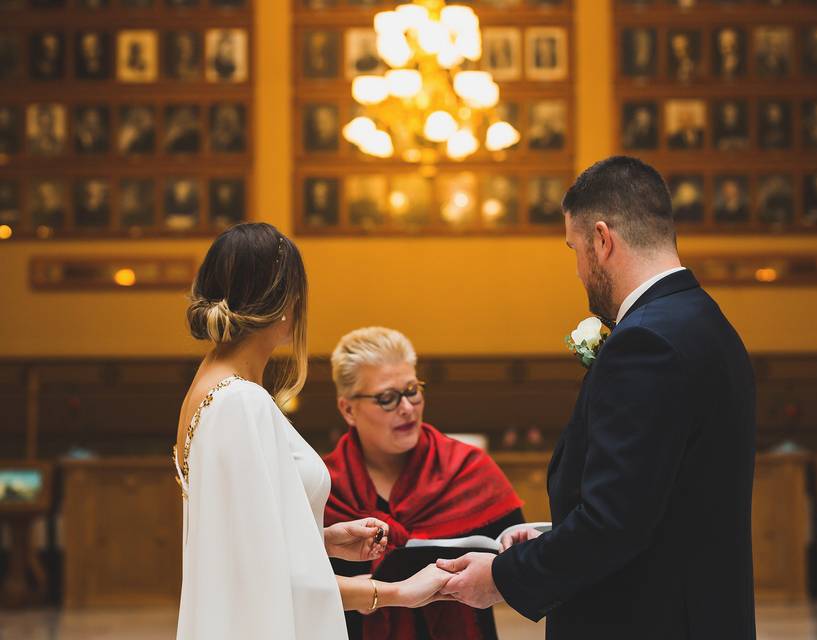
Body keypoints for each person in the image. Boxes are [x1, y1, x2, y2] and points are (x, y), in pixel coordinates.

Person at [437, 156, 757, 639]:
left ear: (603, 240)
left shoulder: (645, 342)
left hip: (644, 621)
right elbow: (660, 497)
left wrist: (502, 577)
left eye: (574, 249)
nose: (579, 270)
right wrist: (552, 535)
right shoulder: (704, 320)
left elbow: (614, 523)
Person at [174, 223, 451, 639]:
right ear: (288, 302)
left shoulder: (210, 388)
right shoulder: (240, 403)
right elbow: (272, 580)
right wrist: (397, 592)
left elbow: (239, 545)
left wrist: (320, 539)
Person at [324, 327, 524, 640]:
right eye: (387, 398)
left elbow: (520, 565)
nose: (406, 408)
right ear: (348, 409)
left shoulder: (468, 469)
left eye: (412, 391)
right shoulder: (324, 487)